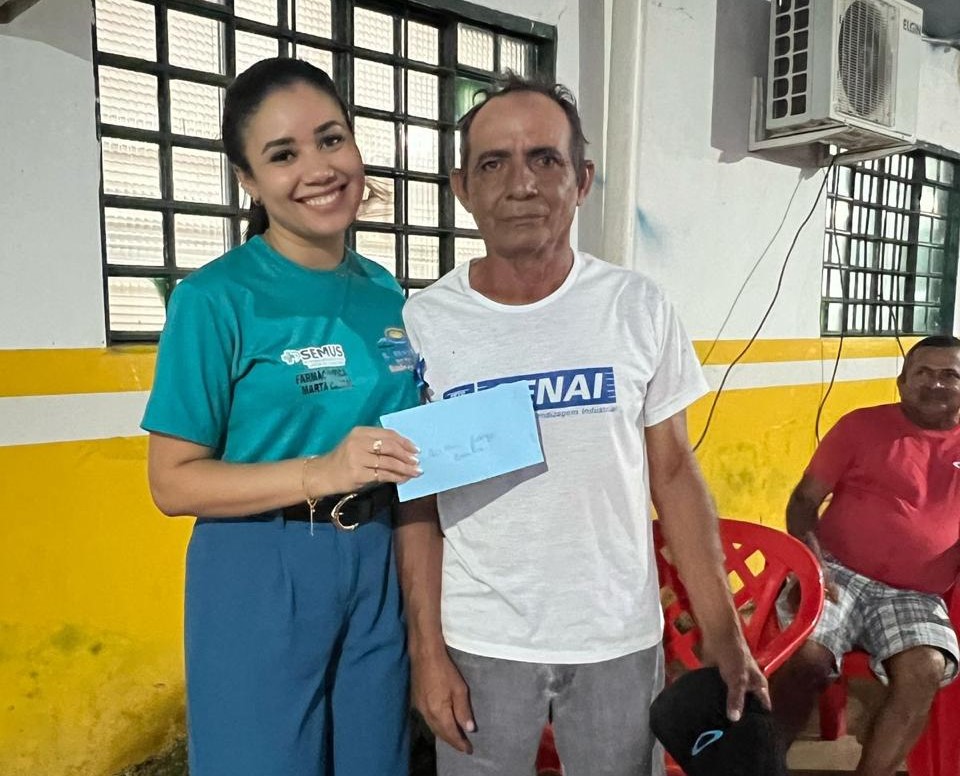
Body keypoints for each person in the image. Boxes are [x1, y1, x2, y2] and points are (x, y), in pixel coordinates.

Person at [394, 74, 767, 776]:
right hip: (480, 641)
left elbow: (674, 474)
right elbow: (417, 498)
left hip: (616, 639)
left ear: (582, 180)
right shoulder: (424, 323)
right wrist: (427, 651)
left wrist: (722, 629)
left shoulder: (636, 307)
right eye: (493, 163)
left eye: (545, 158)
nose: (521, 184)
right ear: (462, 188)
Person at [141, 57, 422, 776]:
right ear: (248, 179)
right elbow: (172, 483)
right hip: (260, 565)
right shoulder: (215, 300)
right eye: (283, 154)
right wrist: (321, 471)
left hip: (379, 556)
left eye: (331, 139)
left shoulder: (385, 293)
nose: (319, 169)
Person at [772, 336, 960, 776]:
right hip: (838, 574)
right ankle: (763, 764)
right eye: (923, 373)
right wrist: (814, 568)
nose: (935, 384)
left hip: (916, 594)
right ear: (902, 381)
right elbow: (803, 501)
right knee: (806, 659)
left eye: (949, 375)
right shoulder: (860, 426)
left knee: (926, 668)